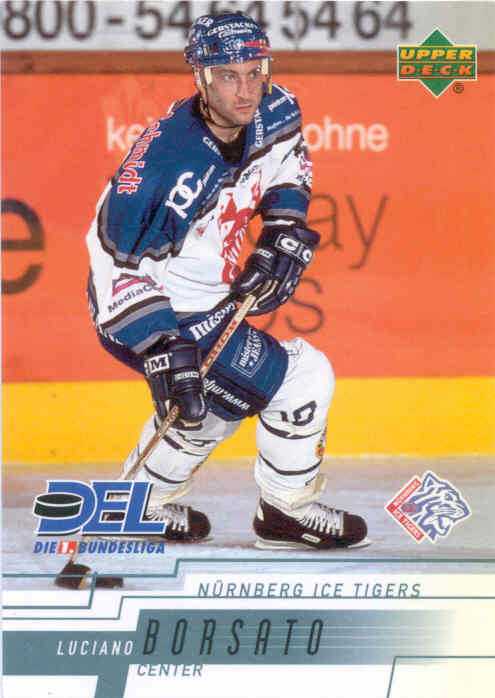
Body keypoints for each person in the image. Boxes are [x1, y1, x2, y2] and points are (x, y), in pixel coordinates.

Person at [86, 11, 368, 550]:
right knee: (301, 378)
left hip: (205, 303)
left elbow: (290, 164)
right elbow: (115, 265)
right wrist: (162, 346)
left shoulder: (275, 109)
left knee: (210, 408)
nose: (246, 90)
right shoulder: (165, 165)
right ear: (201, 78)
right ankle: (286, 512)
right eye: (228, 76)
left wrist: (282, 227)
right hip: (153, 313)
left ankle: (139, 507)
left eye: (254, 72)